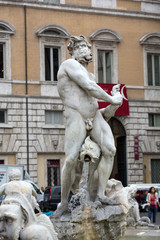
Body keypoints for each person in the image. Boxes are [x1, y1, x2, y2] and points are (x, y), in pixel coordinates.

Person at [56, 35, 123, 216]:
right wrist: (110, 98)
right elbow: (88, 86)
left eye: (87, 46)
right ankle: (63, 203)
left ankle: (100, 194)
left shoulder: (91, 74)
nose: (86, 49)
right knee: (70, 159)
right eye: (82, 46)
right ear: (74, 51)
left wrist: (114, 105)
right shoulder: (68, 65)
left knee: (110, 150)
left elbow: (102, 111)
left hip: (95, 116)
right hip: (75, 115)